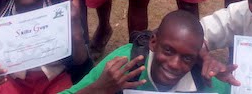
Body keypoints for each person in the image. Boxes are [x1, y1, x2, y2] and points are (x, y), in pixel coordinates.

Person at [61, 10, 230, 93]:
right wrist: (99, 88)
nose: (174, 64)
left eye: (187, 58)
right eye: (168, 50)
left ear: (196, 60)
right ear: (154, 42)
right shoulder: (126, 62)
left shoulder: (207, 82)